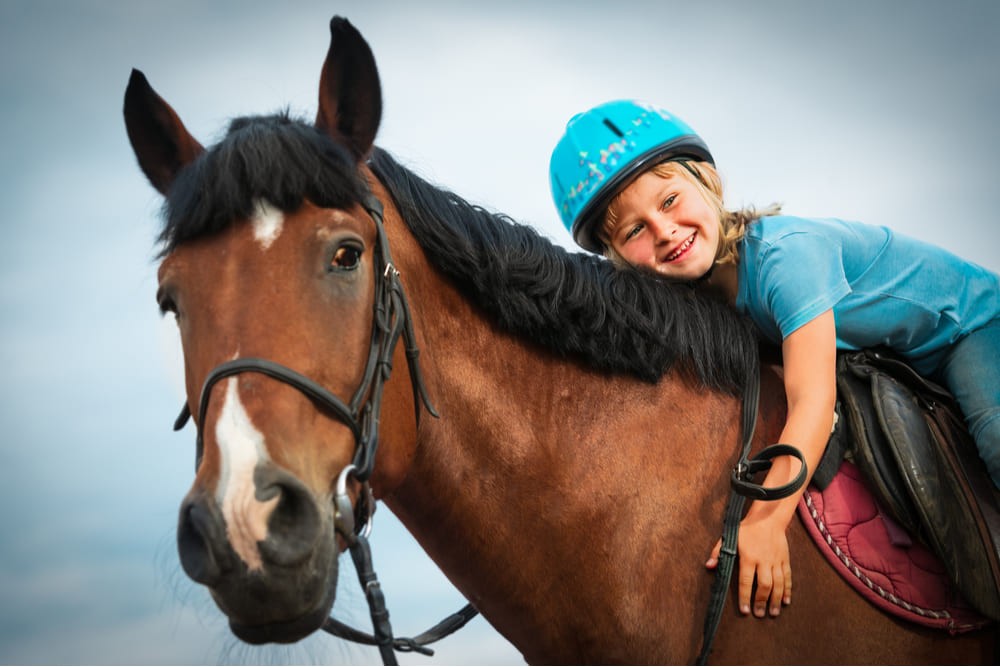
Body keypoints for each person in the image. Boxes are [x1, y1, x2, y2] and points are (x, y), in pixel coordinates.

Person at [548, 99, 1000, 620]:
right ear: (618, 259)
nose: (665, 231)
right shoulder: (702, 296)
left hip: (969, 328)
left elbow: (813, 398)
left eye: (670, 200)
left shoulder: (789, 257)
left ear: (708, 182)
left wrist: (766, 521)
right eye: (634, 231)